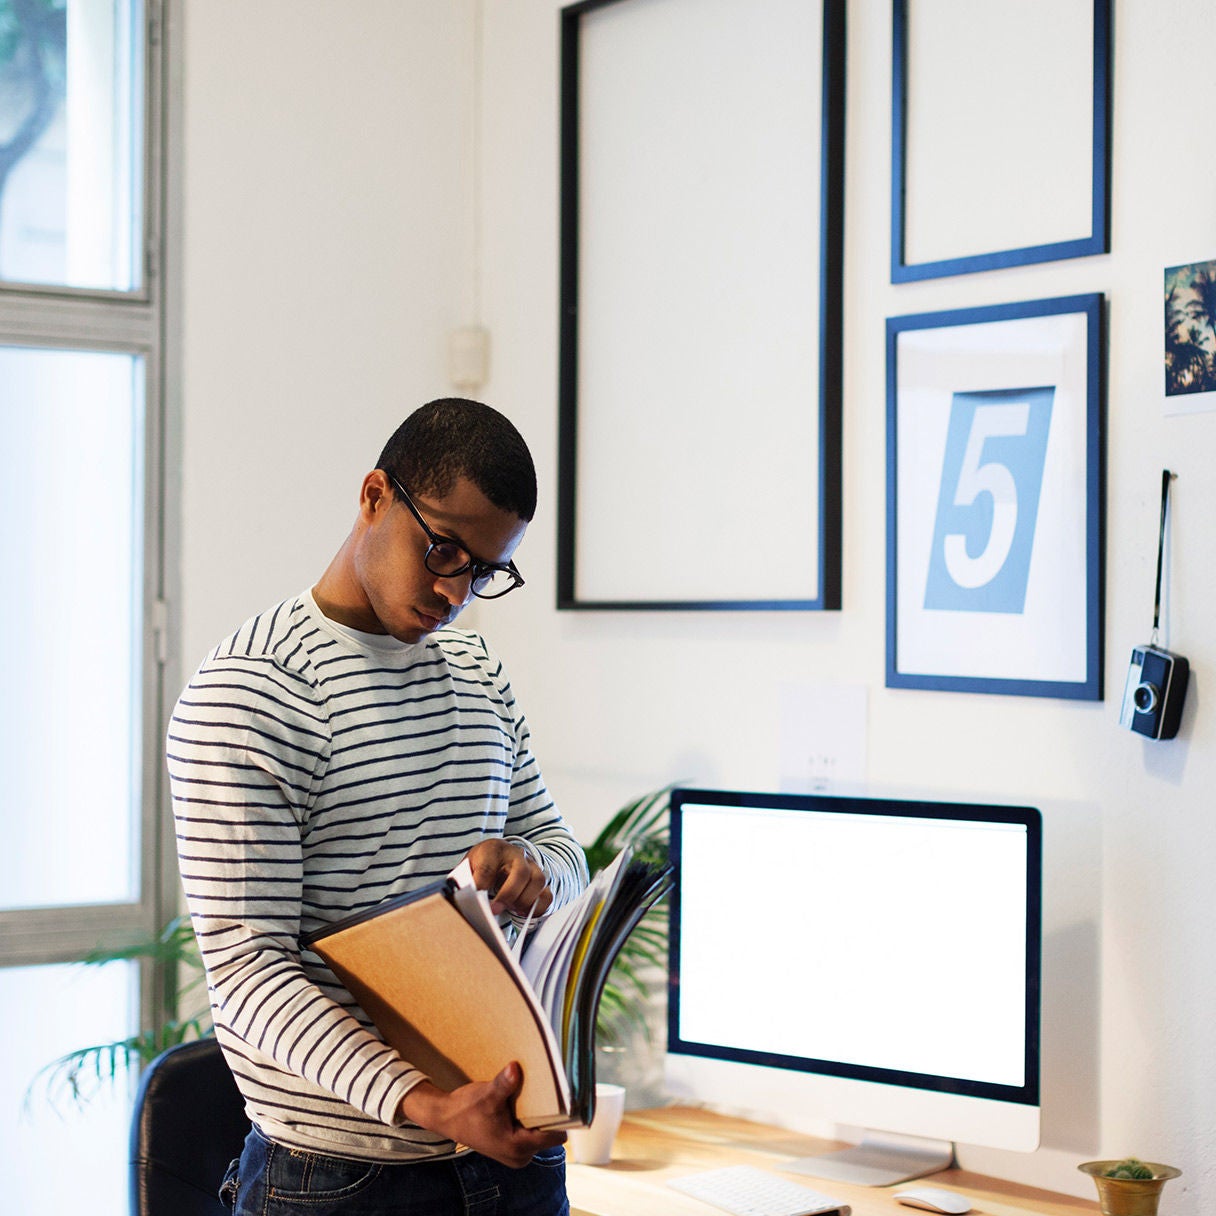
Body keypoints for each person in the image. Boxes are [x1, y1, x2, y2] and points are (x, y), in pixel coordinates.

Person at [167, 398, 589, 1215]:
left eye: (485, 571)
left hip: (515, 1163)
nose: (454, 590)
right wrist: (428, 1105)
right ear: (372, 497)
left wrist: (535, 870)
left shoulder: (475, 673)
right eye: (442, 549)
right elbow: (248, 973)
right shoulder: (252, 695)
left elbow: (559, 849)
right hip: (341, 1181)